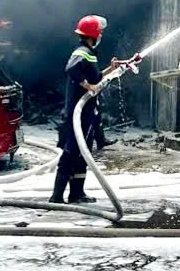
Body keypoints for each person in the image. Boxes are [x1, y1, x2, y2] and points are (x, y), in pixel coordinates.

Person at [49, 14, 126, 204]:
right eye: (99, 34)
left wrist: (111, 69)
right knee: (71, 153)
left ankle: (77, 194)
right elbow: (71, 69)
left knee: (83, 153)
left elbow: (96, 77)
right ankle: (56, 197)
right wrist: (86, 85)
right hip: (78, 115)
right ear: (94, 36)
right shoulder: (82, 52)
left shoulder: (89, 54)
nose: (100, 37)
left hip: (87, 115)